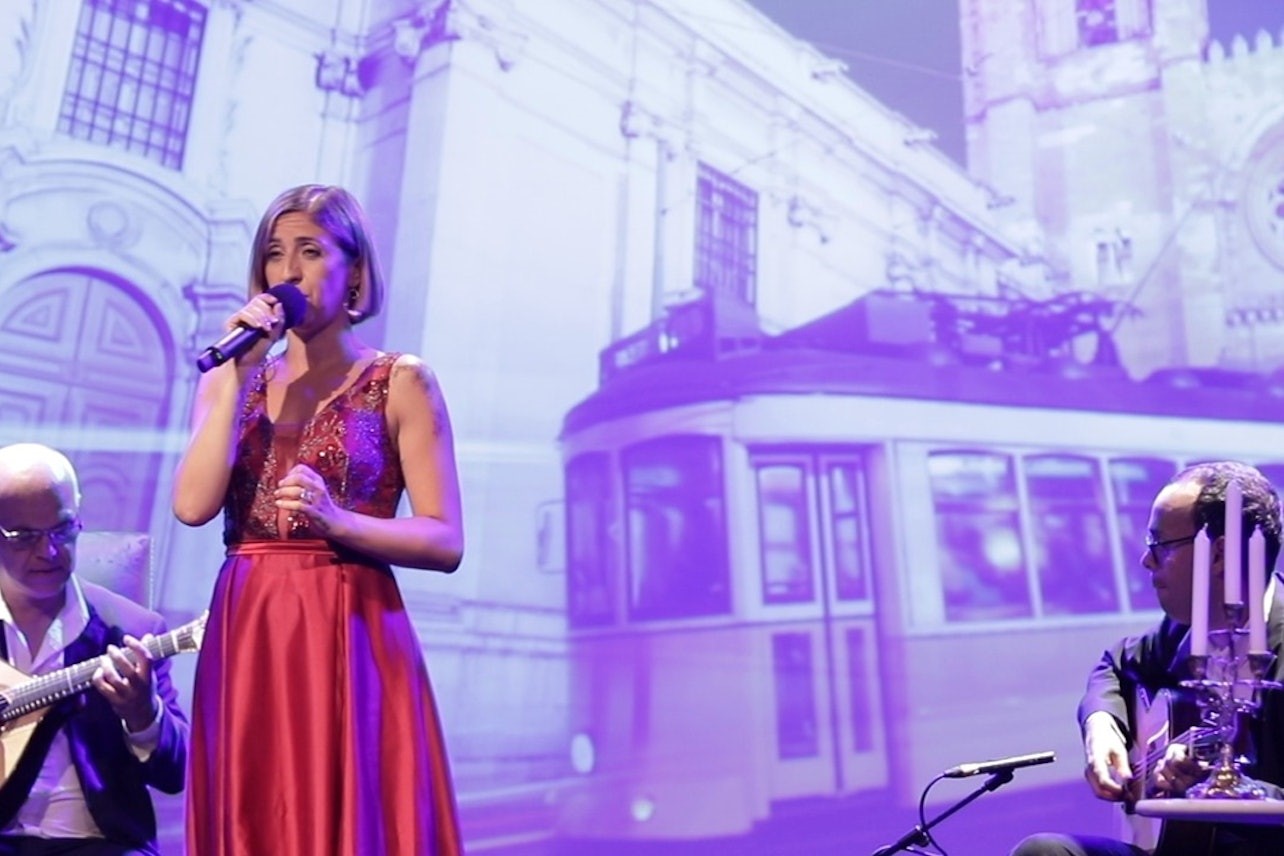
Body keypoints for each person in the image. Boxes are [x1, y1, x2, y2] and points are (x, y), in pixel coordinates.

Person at [173, 184, 465, 855]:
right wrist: (239, 375)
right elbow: (192, 507)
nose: (288, 271)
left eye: (310, 251)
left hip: (348, 621)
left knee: (349, 816)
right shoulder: (230, 377)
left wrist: (340, 522)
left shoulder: (400, 381)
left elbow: (445, 537)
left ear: (355, 270)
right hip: (249, 623)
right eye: (275, 255)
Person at [1011, 461, 1284, 856]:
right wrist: (1101, 726)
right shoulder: (1182, 629)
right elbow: (1115, 664)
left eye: (1161, 545)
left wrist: (1224, 789)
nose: (1147, 561)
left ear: (1219, 554)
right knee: (1045, 851)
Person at [0, 442, 187, 856]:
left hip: (99, 843)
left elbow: (177, 772)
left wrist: (143, 715)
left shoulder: (133, 631)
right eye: (24, 536)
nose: (48, 551)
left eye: (62, 529)